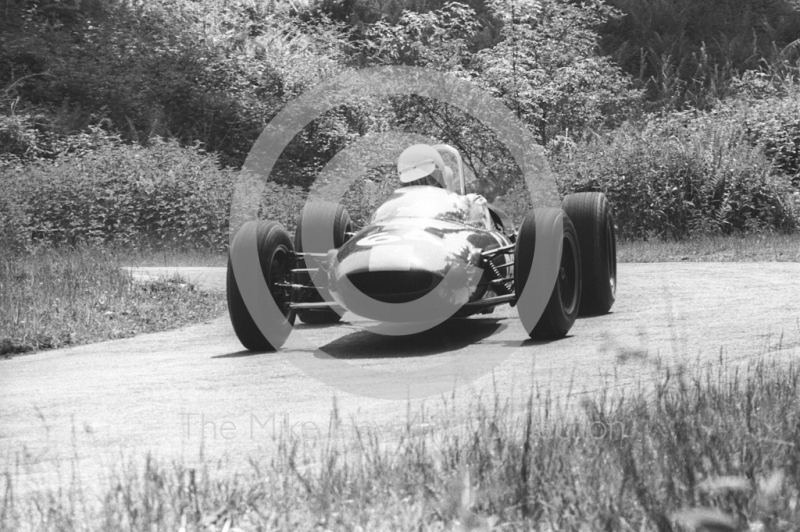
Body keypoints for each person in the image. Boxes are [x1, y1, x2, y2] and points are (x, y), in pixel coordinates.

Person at [396, 143, 494, 229]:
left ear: (442, 176)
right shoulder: (399, 214)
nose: (420, 186)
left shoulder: (471, 204)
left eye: (429, 179)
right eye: (412, 183)